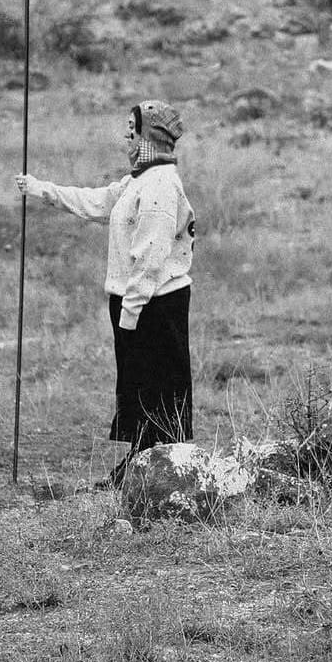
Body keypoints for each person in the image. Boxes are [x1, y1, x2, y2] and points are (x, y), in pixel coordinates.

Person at [15, 100, 195, 487]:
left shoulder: (161, 185)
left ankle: (158, 472)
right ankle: (145, 466)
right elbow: (98, 202)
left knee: (156, 384)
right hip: (140, 300)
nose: (125, 135)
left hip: (154, 303)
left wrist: (130, 313)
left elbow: (151, 255)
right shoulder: (139, 180)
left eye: (132, 127)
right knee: (140, 384)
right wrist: (42, 190)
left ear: (148, 135)